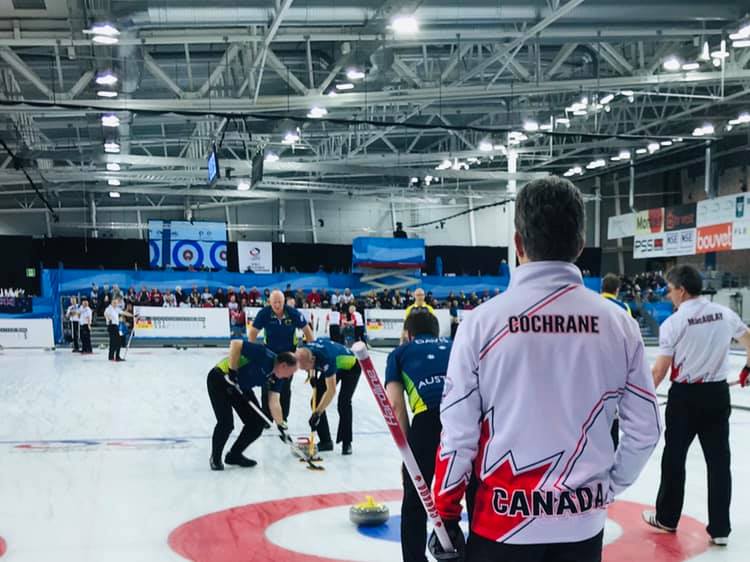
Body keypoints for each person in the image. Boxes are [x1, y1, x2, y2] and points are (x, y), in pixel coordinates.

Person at [431, 176, 662, 562]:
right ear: (580, 245)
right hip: (582, 524)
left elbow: (458, 435)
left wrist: (446, 512)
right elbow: (646, 429)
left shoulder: (481, 323)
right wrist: (607, 487)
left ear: (518, 243)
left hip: (502, 523)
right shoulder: (619, 324)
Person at [643, 265, 750, 546]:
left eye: (670, 290)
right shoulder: (724, 314)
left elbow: (660, 371)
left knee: (674, 458)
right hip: (717, 394)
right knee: (719, 462)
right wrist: (748, 368)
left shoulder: (674, 323)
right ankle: (720, 528)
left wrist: (642, 398)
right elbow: (749, 338)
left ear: (682, 290)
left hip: (685, 398)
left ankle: (667, 518)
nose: (669, 295)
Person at [386, 311, 452, 562]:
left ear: (408, 333)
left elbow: (395, 405)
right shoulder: (454, 344)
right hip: (465, 419)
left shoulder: (399, 353)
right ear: (437, 331)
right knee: (474, 491)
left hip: (427, 420)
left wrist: (407, 454)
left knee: (416, 497)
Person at [207, 339, 298, 470]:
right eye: (291, 372)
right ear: (283, 365)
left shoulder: (278, 377)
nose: (289, 377)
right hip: (220, 379)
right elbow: (235, 344)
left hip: (241, 387)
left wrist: (281, 425)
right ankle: (215, 458)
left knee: (257, 422)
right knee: (226, 423)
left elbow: (274, 400)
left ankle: (234, 455)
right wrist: (232, 371)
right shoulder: (263, 354)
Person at [249, 289, 313, 421]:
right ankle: (266, 417)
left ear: (284, 302)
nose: (277, 305)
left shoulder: (293, 313)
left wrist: (311, 355)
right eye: (274, 302)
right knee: (266, 385)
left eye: (280, 302)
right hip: (269, 355)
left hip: (289, 355)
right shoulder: (264, 313)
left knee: (285, 386)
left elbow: (308, 332)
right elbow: (253, 332)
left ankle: (283, 417)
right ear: (269, 302)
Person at [295, 338, 361, 455]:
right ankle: (326, 441)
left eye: (306, 368)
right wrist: (311, 375)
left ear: (313, 360)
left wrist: (317, 414)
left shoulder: (326, 359)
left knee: (343, 403)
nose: (306, 370)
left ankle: (347, 443)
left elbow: (331, 391)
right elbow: (309, 364)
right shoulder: (306, 350)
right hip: (334, 364)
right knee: (315, 401)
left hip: (350, 367)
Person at [104, 297, 124, 361]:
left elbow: (124, 312)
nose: (115, 304)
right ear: (111, 302)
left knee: (117, 341)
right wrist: (108, 318)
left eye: (116, 303)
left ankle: (114, 356)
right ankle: (113, 356)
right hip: (111, 326)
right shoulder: (108, 308)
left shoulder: (117, 309)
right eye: (114, 302)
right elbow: (105, 314)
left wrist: (132, 315)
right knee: (114, 342)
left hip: (116, 326)